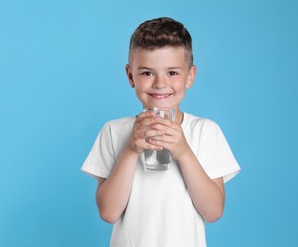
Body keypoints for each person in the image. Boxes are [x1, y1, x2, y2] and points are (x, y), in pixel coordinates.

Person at [81, 17, 241, 247]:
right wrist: (130, 149)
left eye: (173, 73)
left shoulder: (205, 131)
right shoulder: (114, 131)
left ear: (190, 76)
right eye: (147, 73)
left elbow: (214, 212)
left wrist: (184, 152)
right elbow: (108, 213)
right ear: (130, 76)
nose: (159, 83)